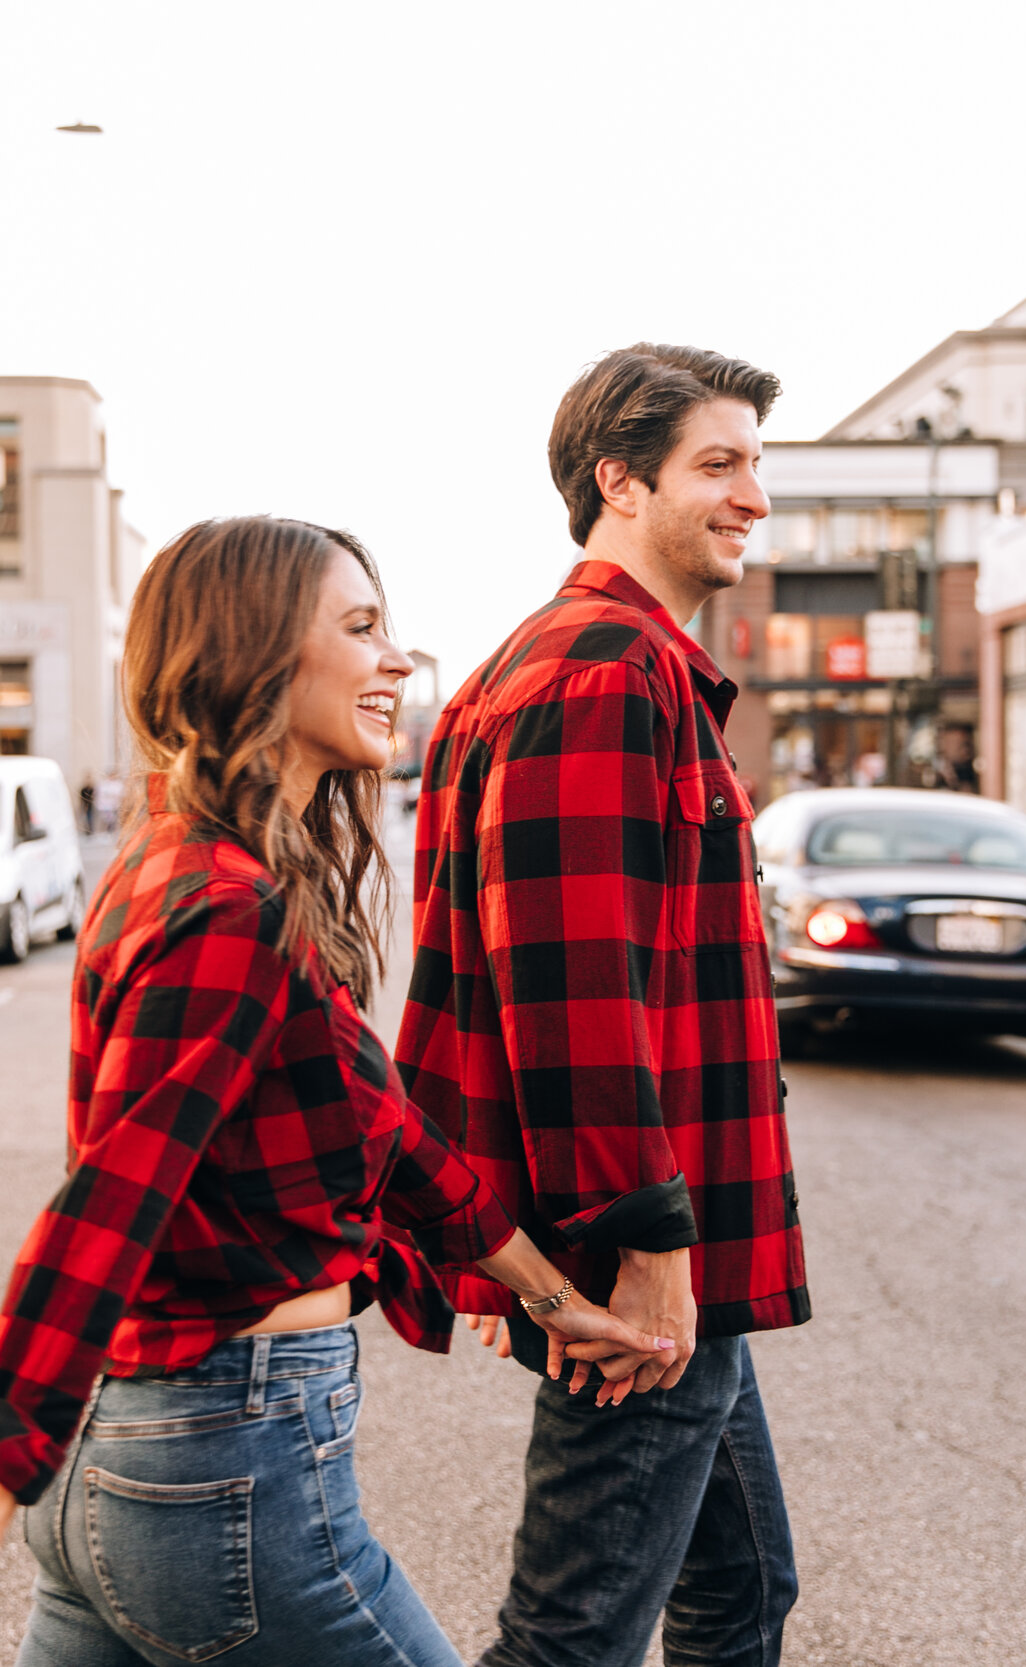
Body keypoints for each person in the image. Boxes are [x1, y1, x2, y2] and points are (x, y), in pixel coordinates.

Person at [0, 517, 672, 1667]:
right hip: (221, 1471)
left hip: (133, 1467)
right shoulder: (228, 909)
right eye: (359, 628)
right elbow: (105, 1208)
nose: (395, 659)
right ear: (254, 658)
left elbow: (384, 1131)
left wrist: (547, 1295)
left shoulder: (201, 863)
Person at [397, 345, 813, 1667]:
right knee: (571, 1637)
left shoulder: (591, 664)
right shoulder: (600, 676)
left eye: (758, 463)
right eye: (721, 463)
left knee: (743, 1591)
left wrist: (497, 1209)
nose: (754, 494)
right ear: (617, 481)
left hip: (651, 1239)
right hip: (642, 1256)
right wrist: (639, 1249)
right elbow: (574, 997)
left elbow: (493, 972)